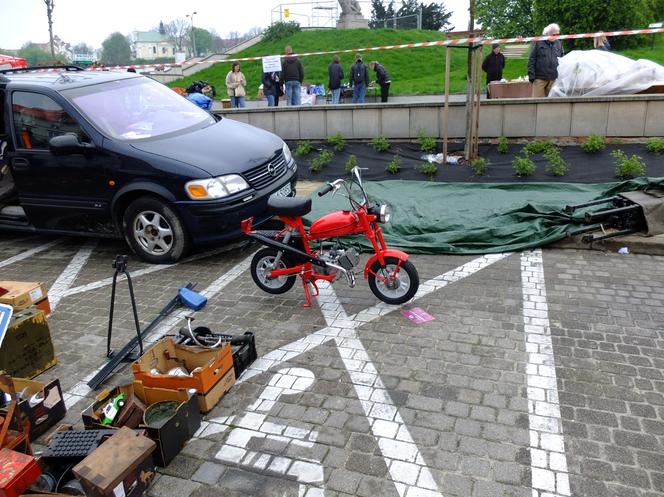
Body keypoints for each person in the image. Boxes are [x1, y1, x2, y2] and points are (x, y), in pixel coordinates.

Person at [528, 23, 564, 97]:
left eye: (557, 34)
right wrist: (531, 75)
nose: (556, 36)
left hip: (553, 78)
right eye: (554, 34)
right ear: (547, 33)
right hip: (539, 78)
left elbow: (562, 59)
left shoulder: (558, 44)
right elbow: (532, 59)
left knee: (552, 103)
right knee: (538, 102)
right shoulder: (537, 42)